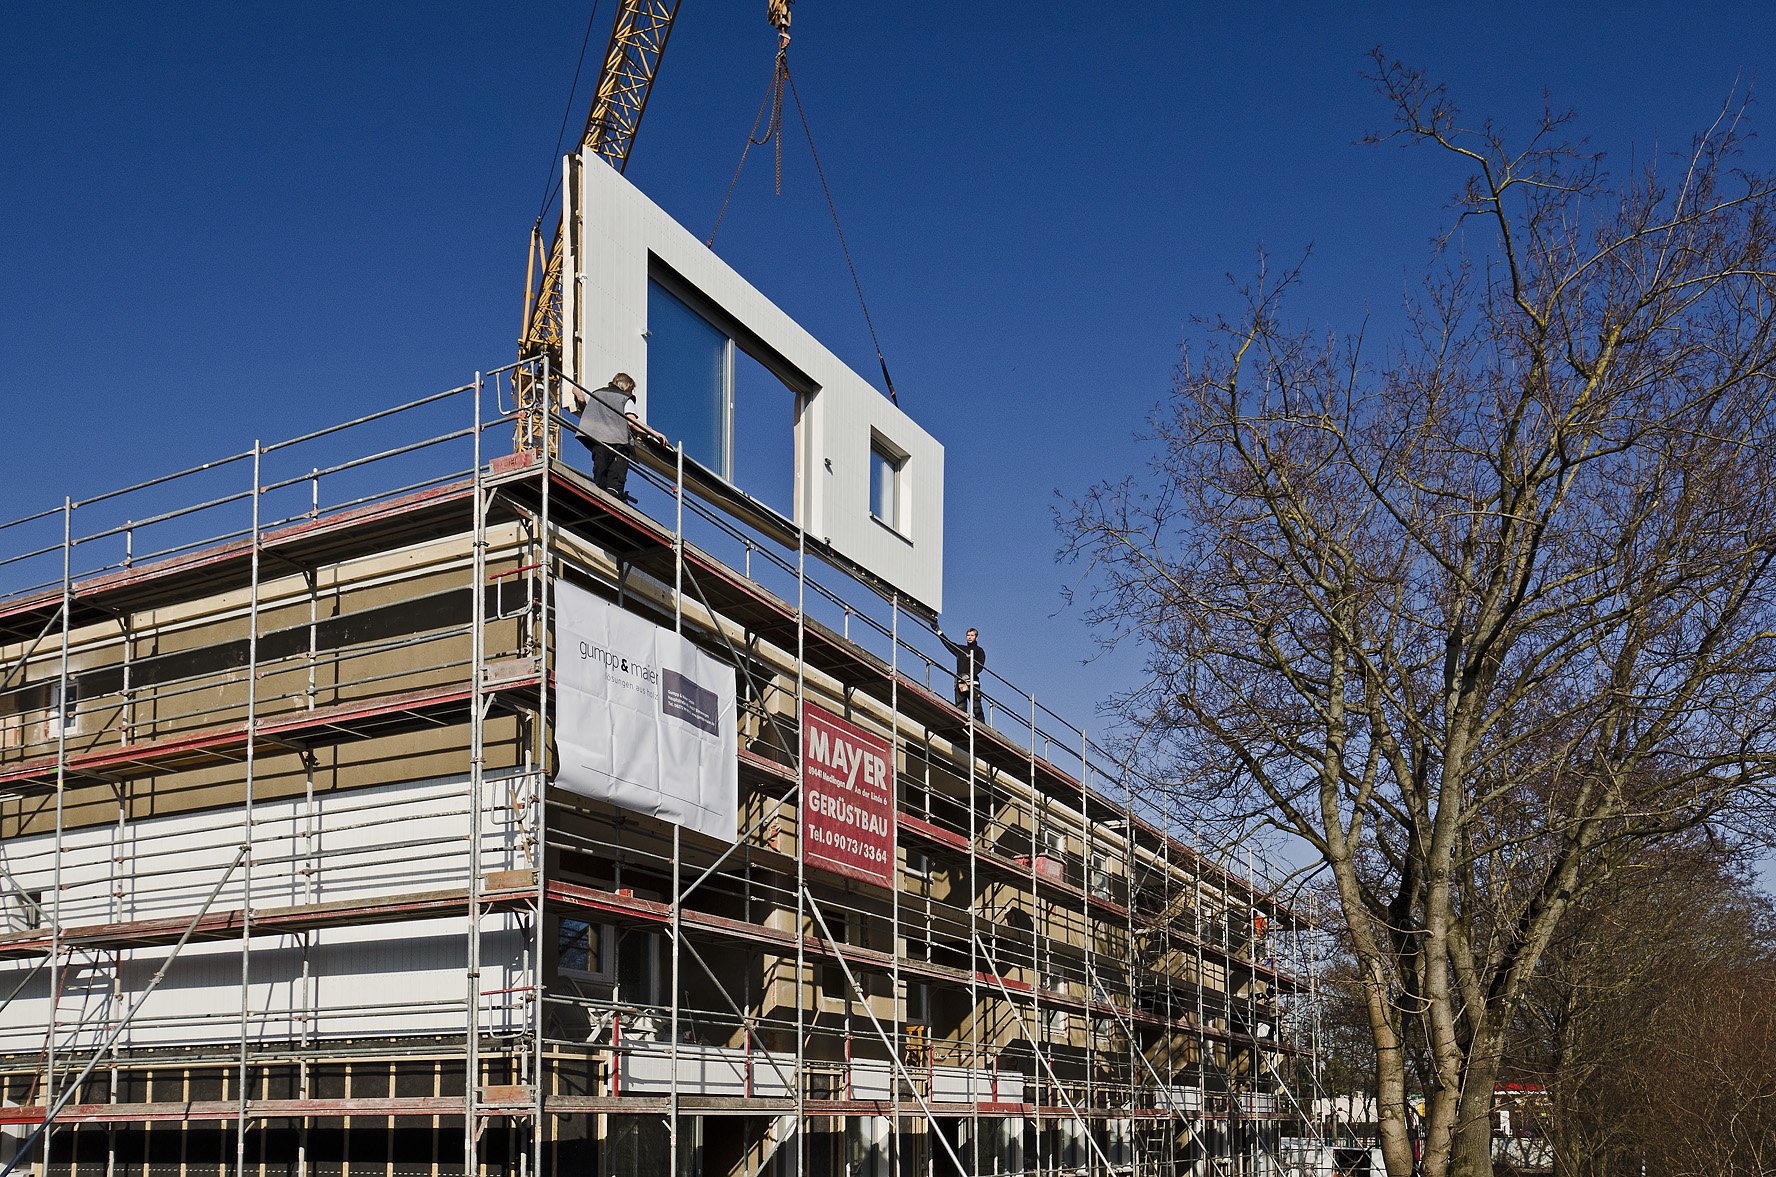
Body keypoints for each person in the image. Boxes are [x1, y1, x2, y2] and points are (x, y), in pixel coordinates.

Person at [565, 372, 666, 503]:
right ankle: (614, 497)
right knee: (615, 480)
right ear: (628, 386)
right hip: (618, 442)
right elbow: (632, 422)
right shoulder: (626, 398)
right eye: (632, 389)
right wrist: (654, 433)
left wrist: (576, 390)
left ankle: (604, 495)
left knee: (600, 475)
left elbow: (581, 399)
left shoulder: (597, 394)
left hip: (598, 440)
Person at [937, 627, 987, 721]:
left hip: (973, 680)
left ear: (976, 637)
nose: (969, 637)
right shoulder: (961, 649)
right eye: (968, 635)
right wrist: (939, 632)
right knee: (960, 706)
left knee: (976, 707)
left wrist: (971, 675)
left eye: (972, 635)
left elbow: (980, 666)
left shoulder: (979, 651)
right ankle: (961, 724)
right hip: (960, 679)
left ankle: (981, 727)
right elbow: (948, 644)